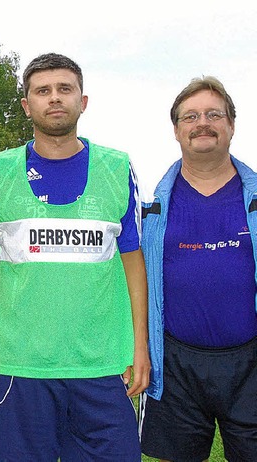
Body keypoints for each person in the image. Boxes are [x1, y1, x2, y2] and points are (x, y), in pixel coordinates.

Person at [0, 52, 150, 460]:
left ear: (83, 101)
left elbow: (134, 261)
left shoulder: (117, 168)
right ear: (27, 105)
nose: (55, 98)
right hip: (22, 367)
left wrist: (140, 347)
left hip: (103, 366)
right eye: (42, 91)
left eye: (65, 89)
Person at [139, 76, 257, 461]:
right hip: (175, 366)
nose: (201, 123)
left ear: (232, 125)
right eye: (190, 116)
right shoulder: (149, 210)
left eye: (213, 114)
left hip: (250, 365)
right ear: (176, 130)